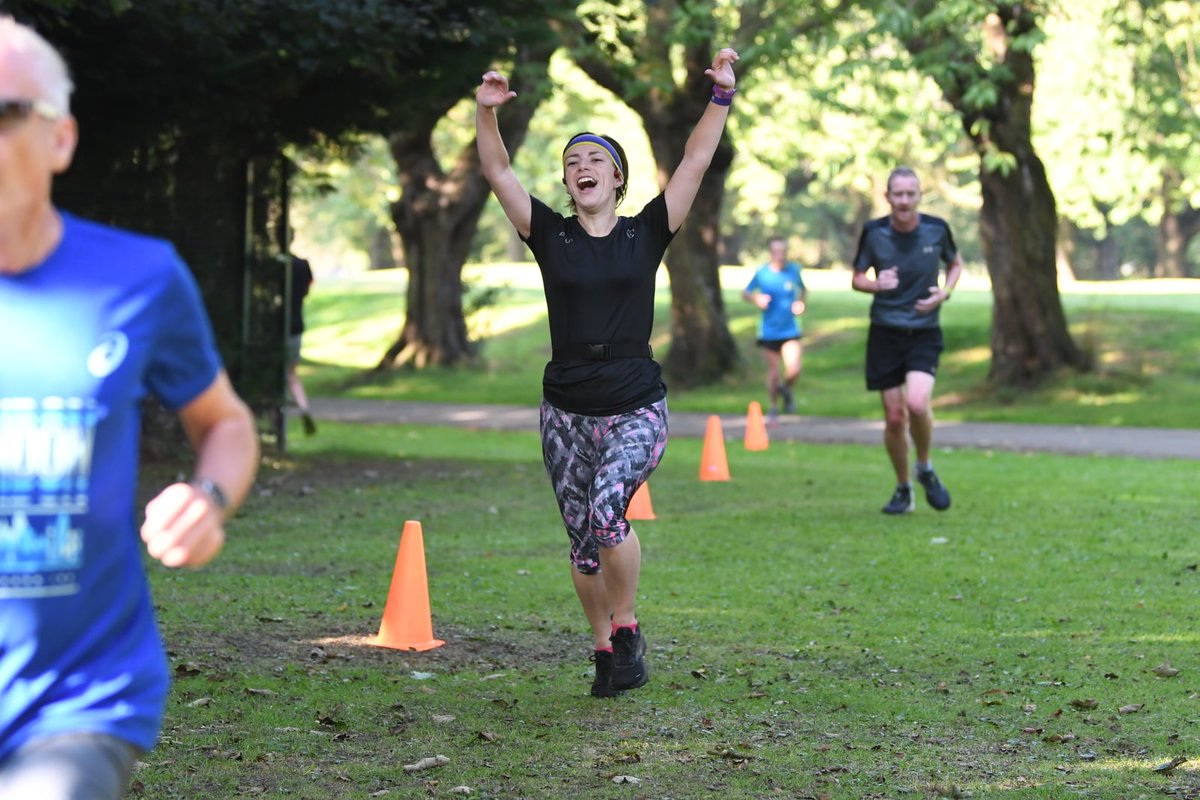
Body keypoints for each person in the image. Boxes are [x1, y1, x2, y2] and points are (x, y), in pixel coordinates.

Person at [0, 17, 259, 800]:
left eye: (5, 113)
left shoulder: (138, 277)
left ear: (60, 139)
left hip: (76, 698)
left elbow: (226, 423)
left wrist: (207, 497)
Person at [476, 47, 740, 697]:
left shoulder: (646, 231)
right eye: (572, 162)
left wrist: (720, 98)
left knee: (607, 511)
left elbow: (695, 161)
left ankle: (627, 628)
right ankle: (604, 651)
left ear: (617, 177)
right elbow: (498, 170)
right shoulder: (550, 235)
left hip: (635, 402)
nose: (582, 168)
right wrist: (486, 114)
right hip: (565, 408)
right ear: (567, 184)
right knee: (582, 543)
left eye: (595, 159)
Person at [851, 166, 962, 515]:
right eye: (897, 194)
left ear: (919, 196)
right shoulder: (874, 232)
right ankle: (903, 488)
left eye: (909, 194)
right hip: (885, 331)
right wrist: (875, 284)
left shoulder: (936, 228)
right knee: (895, 418)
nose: (903, 201)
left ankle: (924, 466)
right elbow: (856, 277)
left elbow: (956, 264)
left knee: (916, 403)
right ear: (887, 196)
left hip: (924, 331)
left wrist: (945, 292)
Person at [742, 235, 806, 423]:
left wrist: (800, 303)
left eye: (783, 251)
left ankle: (785, 390)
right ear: (770, 253)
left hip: (790, 329)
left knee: (794, 369)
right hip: (769, 330)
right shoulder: (762, 273)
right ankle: (774, 407)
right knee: (774, 373)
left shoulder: (793, 270)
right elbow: (745, 293)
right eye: (776, 251)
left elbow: (803, 290)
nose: (780, 255)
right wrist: (756, 298)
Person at [287, 250, 317, 436]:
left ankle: (275, 422)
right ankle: (304, 408)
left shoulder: (279, 264)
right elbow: (308, 289)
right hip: (296, 327)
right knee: (291, 374)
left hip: (277, 328)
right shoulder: (302, 265)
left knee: (278, 376)